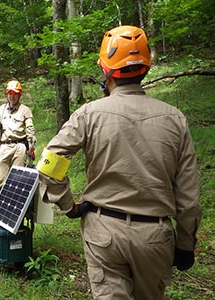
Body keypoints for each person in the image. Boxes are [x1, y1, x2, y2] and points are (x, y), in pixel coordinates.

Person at [37, 25, 202, 299]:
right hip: (156, 237)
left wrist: (68, 205)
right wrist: (185, 244)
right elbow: (188, 196)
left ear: (105, 69)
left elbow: (51, 160)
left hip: (104, 233)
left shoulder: (89, 114)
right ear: (146, 66)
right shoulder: (175, 119)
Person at [0, 80, 36, 195]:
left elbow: (30, 128)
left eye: (15, 93)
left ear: (19, 95)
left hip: (19, 147)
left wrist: (31, 146)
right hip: (5, 146)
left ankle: (17, 210)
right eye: (10, 93)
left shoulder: (25, 110)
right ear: (7, 94)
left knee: (17, 181)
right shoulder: (1, 109)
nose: (12, 96)